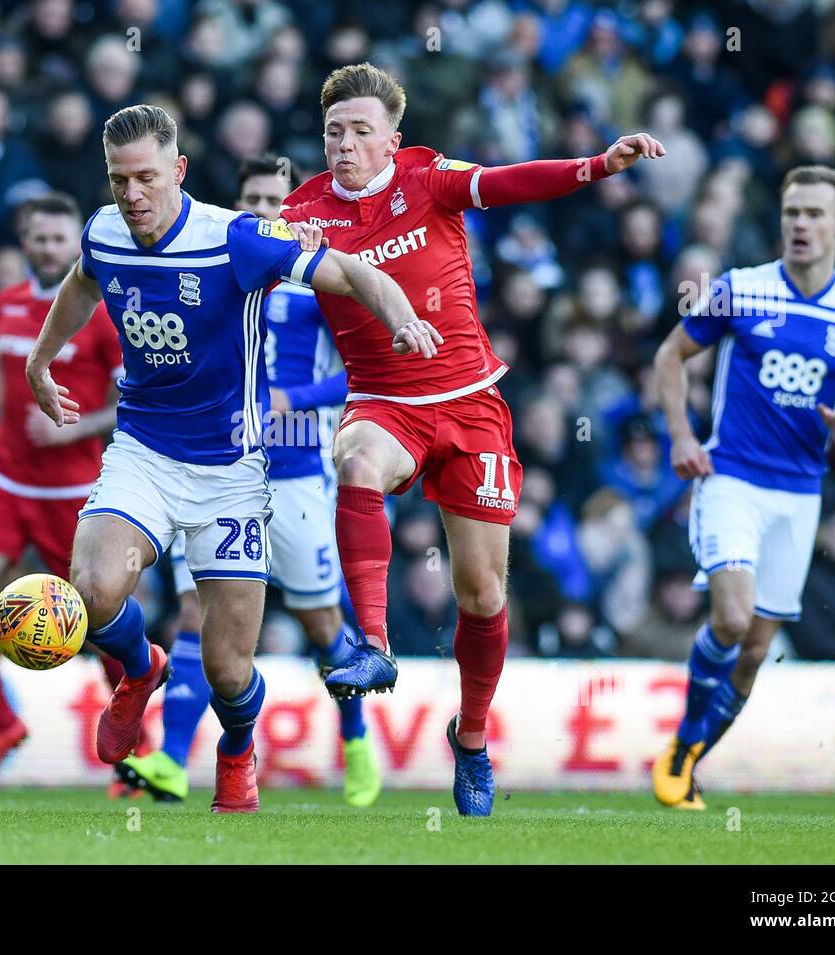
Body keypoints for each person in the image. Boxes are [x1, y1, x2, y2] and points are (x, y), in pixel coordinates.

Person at [278, 62, 663, 815]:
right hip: (383, 401)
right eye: (334, 132)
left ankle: (474, 733)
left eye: (361, 131)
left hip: (469, 405)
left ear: (394, 138)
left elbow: (514, 182)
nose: (345, 145)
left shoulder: (427, 178)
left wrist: (595, 166)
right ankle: (374, 645)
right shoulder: (303, 211)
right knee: (353, 459)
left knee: (481, 594)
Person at [24, 104, 430, 813]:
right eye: (120, 179)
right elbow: (84, 281)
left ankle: (237, 749)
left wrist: (402, 319)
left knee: (226, 667)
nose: (133, 194)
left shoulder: (234, 239)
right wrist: (39, 359)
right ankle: (138, 668)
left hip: (231, 473)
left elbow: (348, 271)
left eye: (147, 176)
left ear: (178, 170)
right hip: (144, 451)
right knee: (90, 588)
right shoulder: (104, 229)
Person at [116, 155, 381, 808]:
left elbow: (362, 372)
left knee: (322, 622)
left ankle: (355, 739)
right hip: (214, 465)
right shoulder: (214, 265)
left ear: (294, 208)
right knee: (193, 611)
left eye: (275, 199)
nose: (264, 210)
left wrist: (298, 395)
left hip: (293, 471)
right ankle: (175, 761)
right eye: (252, 198)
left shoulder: (315, 283)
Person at [650, 165, 835, 809]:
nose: (800, 226)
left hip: (801, 494)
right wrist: (679, 436)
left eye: (813, 214)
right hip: (731, 478)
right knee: (730, 616)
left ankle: (690, 751)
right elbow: (670, 355)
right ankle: (679, 752)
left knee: (755, 649)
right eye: (791, 214)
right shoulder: (739, 290)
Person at [0, 193, 121, 791]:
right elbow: (2, 361)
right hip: (4, 481)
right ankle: (3, 725)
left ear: (79, 245)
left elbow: (132, 401)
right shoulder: (10, 301)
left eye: (58, 239)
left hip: (74, 491)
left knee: (101, 621)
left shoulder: (103, 313)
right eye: (38, 239)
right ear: (26, 244)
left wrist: (78, 422)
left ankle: (134, 739)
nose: (47, 249)